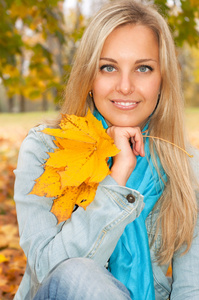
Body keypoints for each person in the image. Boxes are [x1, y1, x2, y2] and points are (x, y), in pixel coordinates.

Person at [14, 0, 199, 299]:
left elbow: (193, 289)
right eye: (108, 67)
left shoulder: (187, 166)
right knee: (78, 272)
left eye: (143, 68)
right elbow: (49, 272)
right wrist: (116, 180)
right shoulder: (45, 149)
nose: (125, 86)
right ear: (89, 76)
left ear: (162, 80)